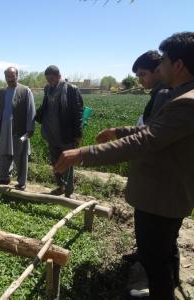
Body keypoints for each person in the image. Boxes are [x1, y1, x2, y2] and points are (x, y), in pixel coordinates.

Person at [54, 32, 194, 300]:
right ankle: (169, 285)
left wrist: (84, 153)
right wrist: (119, 130)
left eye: (163, 61)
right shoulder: (180, 95)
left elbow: (147, 139)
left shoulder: (186, 102)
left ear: (178, 66)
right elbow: (155, 130)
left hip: (161, 197)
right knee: (164, 252)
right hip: (165, 194)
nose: (159, 66)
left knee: (155, 260)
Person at [35, 65, 83, 197]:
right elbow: (45, 107)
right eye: (47, 79)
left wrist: (78, 134)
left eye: (51, 78)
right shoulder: (48, 89)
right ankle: (60, 186)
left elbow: (78, 113)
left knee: (67, 163)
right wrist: (33, 115)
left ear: (58, 76)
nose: (49, 81)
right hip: (51, 134)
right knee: (55, 163)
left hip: (66, 134)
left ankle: (69, 191)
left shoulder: (71, 89)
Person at [0, 67, 35, 190]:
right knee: (3, 153)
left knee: (20, 155)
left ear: (17, 75)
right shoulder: (3, 92)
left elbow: (31, 110)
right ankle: (3, 178)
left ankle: (21, 183)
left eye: (12, 76)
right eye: (7, 77)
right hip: (4, 127)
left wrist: (30, 128)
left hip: (19, 128)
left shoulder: (25, 91)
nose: (10, 79)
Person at [132, 50, 171, 125]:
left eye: (143, 74)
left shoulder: (164, 94)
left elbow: (153, 132)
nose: (140, 81)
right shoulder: (157, 91)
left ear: (158, 70)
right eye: (138, 76)